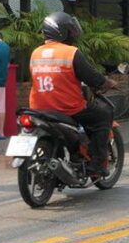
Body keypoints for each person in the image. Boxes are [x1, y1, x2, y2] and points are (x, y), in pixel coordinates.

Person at [29, 12, 117, 175]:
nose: (72, 34)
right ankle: (97, 164)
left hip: (38, 108)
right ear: (61, 32)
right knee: (103, 115)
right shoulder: (70, 52)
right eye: (69, 30)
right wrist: (106, 82)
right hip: (67, 108)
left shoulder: (36, 53)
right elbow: (91, 76)